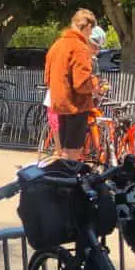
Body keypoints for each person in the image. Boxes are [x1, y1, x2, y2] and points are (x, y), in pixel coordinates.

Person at [44, 9, 100, 160]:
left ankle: (59, 181)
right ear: (87, 26)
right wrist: (95, 84)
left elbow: (47, 78)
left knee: (62, 151)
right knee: (73, 153)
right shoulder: (79, 47)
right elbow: (81, 83)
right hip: (76, 106)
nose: (90, 35)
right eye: (91, 30)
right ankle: (66, 181)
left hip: (60, 104)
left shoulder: (56, 45)